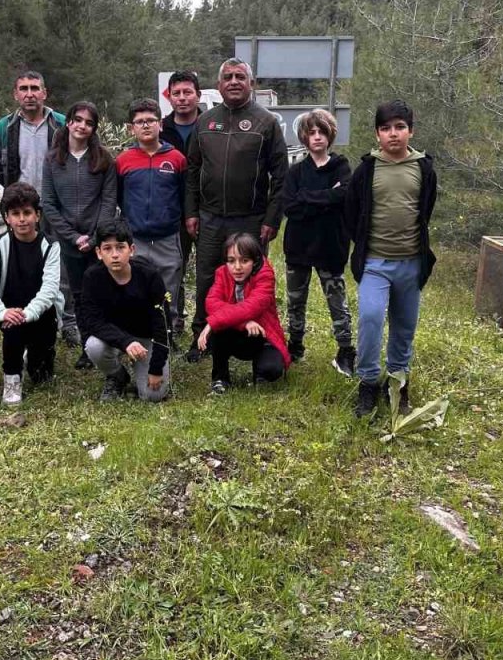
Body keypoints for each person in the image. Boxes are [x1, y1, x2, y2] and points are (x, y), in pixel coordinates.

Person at [184, 58, 289, 362]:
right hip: (210, 217)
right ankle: (201, 336)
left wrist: (272, 218)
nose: (233, 81)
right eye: (227, 77)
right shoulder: (204, 122)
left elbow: (281, 176)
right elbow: (192, 171)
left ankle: (254, 337)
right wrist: (191, 212)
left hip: (251, 218)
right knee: (207, 278)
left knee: (250, 279)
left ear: (251, 84)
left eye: (240, 77)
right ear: (219, 85)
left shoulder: (266, 122)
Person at [345, 100, 438, 418]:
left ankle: (397, 384)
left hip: (411, 263)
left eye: (400, 127)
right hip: (375, 263)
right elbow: (352, 210)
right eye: (386, 128)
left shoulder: (423, 168)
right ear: (377, 134)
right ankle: (368, 383)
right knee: (370, 318)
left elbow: (425, 209)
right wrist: (364, 246)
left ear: (411, 131)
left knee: (404, 327)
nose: (393, 134)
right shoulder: (367, 169)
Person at [0, 70, 76, 347]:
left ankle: (67, 321)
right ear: (16, 94)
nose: (29, 93)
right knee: (24, 264)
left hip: (56, 206)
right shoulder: (4, 128)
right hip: (22, 209)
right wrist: (17, 198)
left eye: (35, 88)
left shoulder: (61, 124)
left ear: (44, 93)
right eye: (23, 88)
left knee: (62, 265)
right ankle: (27, 316)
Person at [42, 101, 117, 369]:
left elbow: (109, 202)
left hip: (99, 244)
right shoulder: (52, 159)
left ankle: (108, 344)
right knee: (79, 296)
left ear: (94, 128)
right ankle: (87, 348)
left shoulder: (104, 159)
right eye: (78, 120)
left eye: (89, 122)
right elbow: (48, 204)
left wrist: (95, 237)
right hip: (69, 243)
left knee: (102, 293)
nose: (82, 126)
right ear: (69, 122)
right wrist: (73, 237)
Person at [280, 108, 355, 375]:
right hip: (298, 247)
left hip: (330, 246)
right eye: (311, 133)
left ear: (330, 135)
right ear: (304, 137)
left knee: (337, 302)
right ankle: (295, 345)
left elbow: (345, 197)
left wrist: (307, 197)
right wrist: (326, 197)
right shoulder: (296, 170)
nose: (317, 137)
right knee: (295, 301)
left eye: (322, 132)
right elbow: (290, 207)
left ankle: (346, 350)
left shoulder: (341, 166)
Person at [0, 182, 63, 406]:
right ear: (6, 217)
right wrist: (2, 312)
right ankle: (12, 377)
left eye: (27, 213)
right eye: (15, 214)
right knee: (12, 328)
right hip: (11, 311)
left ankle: (37, 357)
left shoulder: (51, 246)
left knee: (41, 375)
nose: (22, 219)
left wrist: (30, 312)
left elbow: (50, 289)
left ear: (38, 215)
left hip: (41, 312)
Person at [78, 219, 172, 403]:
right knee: (93, 346)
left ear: (132, 250)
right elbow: (91, 320)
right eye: (107, 249)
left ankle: (143, 369)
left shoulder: (149, 276)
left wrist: (156, 368)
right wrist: (125, 342)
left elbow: (163, 324)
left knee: (153, 395)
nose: (114, 255)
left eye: (120, 247)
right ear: (98, 252)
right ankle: (117, 375)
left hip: (146, 338)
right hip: (115, 336)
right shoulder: (92, 277)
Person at [115, 98, 186, 323]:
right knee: (134, 287)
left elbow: (184, 195)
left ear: (161, 124)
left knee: (169, 289)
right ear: (131, 128)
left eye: (151, 120)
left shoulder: (177, 159)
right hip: (135, 238)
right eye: (139, 121)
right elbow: (118, 196)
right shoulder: (123, 160)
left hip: (167, 237)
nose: (146, 125)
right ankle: (138, 332)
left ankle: (168, 330)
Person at [196, 232, 290, 393]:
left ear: (255, 260)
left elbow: (252, 307)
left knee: (272, 370)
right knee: (219, 329)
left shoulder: (265, 274)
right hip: (236, 333)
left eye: (244, 260)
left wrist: (211, 323)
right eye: (231, 261)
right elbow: (211, 303)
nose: (237, 267)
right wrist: (244, 322)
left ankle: (260, 372)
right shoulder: (221, 273)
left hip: (263, 335)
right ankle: (220, 378)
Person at [160, 70, 201, 333]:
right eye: (177, 93)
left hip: (206, 207)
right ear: (170, 97)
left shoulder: (210, 125)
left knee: (209, 269)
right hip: (172, 209)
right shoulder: (161, 127)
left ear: (197, 95)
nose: (183, 98)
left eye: (188, 92)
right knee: (175, 267)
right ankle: (174, 322)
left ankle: (207, 322)